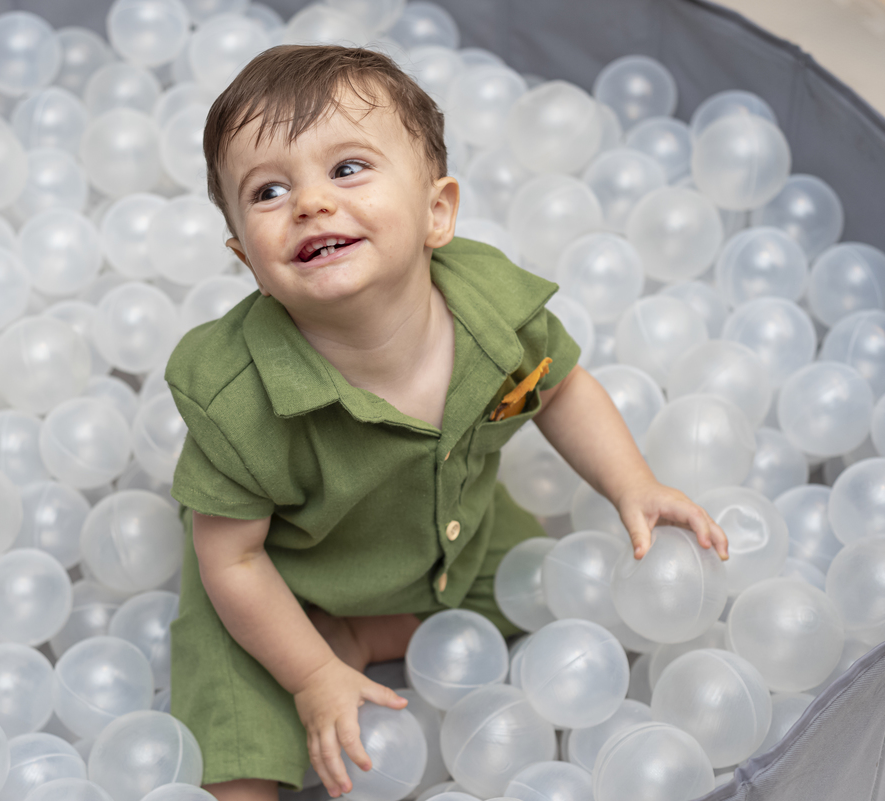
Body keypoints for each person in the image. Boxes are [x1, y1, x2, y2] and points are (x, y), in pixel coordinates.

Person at [165, 44, 728, 801]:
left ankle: (370, 634)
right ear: (246, 256)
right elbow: (231, 561)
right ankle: (317, 665)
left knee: (547, 600)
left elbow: (561, 389)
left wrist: (634, 481)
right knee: (234, 710)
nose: (309, 202)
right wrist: (311, 675)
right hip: (282, 576)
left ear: (438, 212)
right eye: (267, 190)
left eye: (348, 168)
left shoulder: (492, 311)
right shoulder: (241, 395)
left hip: (454, 534)